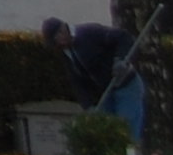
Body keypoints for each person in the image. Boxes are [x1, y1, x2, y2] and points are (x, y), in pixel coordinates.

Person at [42, 17, 146, 145]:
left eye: (56, 41)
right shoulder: (66, 52)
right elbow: (77, 82)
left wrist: (120, 60)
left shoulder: (90, 32)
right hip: (105, 93)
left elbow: (123, 37)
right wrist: (89, 106)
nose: (57, 47)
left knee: (126, 130)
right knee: (107, 134)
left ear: (62, 31)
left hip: (126, 86)